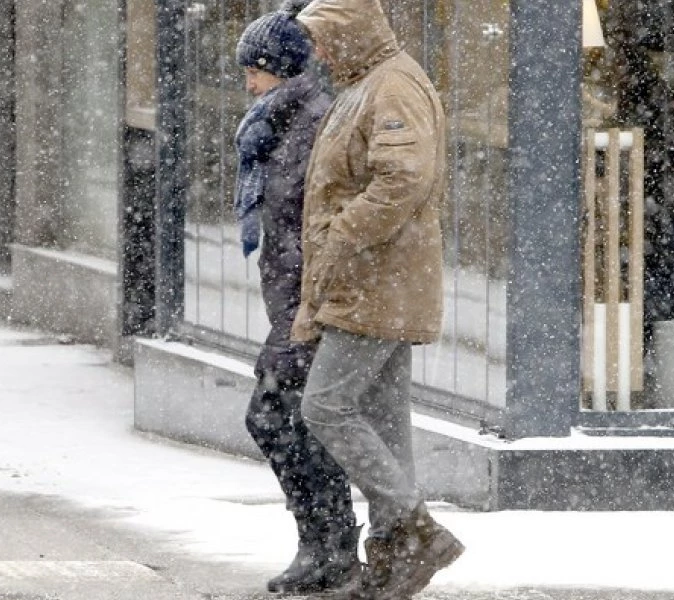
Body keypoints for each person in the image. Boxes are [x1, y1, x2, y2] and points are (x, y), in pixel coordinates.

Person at [289, 0, 462, 598]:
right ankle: (395, 556)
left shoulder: (391, 86)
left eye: (325, 39)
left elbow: (404, 177)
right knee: (386, 423)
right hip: (375, 280)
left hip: (377, 280)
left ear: (352, 34)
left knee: (326, 407)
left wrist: (344, 234)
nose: (318, 52)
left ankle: (416, 531)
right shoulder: (368, 83)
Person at [233, 9, 360, 594]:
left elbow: (315, 227)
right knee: (292, 421)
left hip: (310, 305)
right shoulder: (279, 126)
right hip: (293, 302)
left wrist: (308, 308)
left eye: (254, 72)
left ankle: (329, 546)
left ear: (280, 70)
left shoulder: (312, 125)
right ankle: (326, 547)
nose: (248, 85)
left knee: (275, 417)